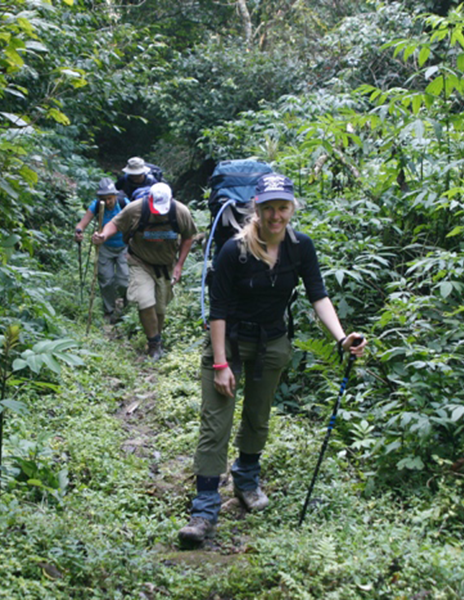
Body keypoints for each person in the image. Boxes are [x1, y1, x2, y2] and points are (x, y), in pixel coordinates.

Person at [178, 173, 367, 544]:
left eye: (283, 207)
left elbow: (318, 295)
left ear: (292, 208)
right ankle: (204, 510)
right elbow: (218, 309)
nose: (276, 216)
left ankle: (246, 482)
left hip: (272, 342)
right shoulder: (234, 250)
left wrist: (342, 338)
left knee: (258, 416)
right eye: (268, 208)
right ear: (257, 208)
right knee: (215, 423)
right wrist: (220, 364)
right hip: (228, 343)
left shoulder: (301, 247)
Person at [92, 182, 197, 360]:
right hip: (139, 261)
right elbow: (115, 224)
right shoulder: (135, 209)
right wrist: (103, 235)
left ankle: (157, 338)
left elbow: (188, 237)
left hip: (165, 266)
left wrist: (179, 265)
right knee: (144, 300)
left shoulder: (180, 212)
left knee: (160, 308)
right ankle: (154, 343)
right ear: (150, 199)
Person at [74, 178, 129, 324]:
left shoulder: (124, 204)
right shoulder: (97, 205)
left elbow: (135, 221)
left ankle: (126, 306)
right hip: (105, 246)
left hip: (124, 246)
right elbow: (82, 223)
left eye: (110, 198)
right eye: (104, 199)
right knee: (106, 280)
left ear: (115, 195)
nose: (108, 202)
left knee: (124, 280)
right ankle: (109, 310)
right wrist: (79, 232)